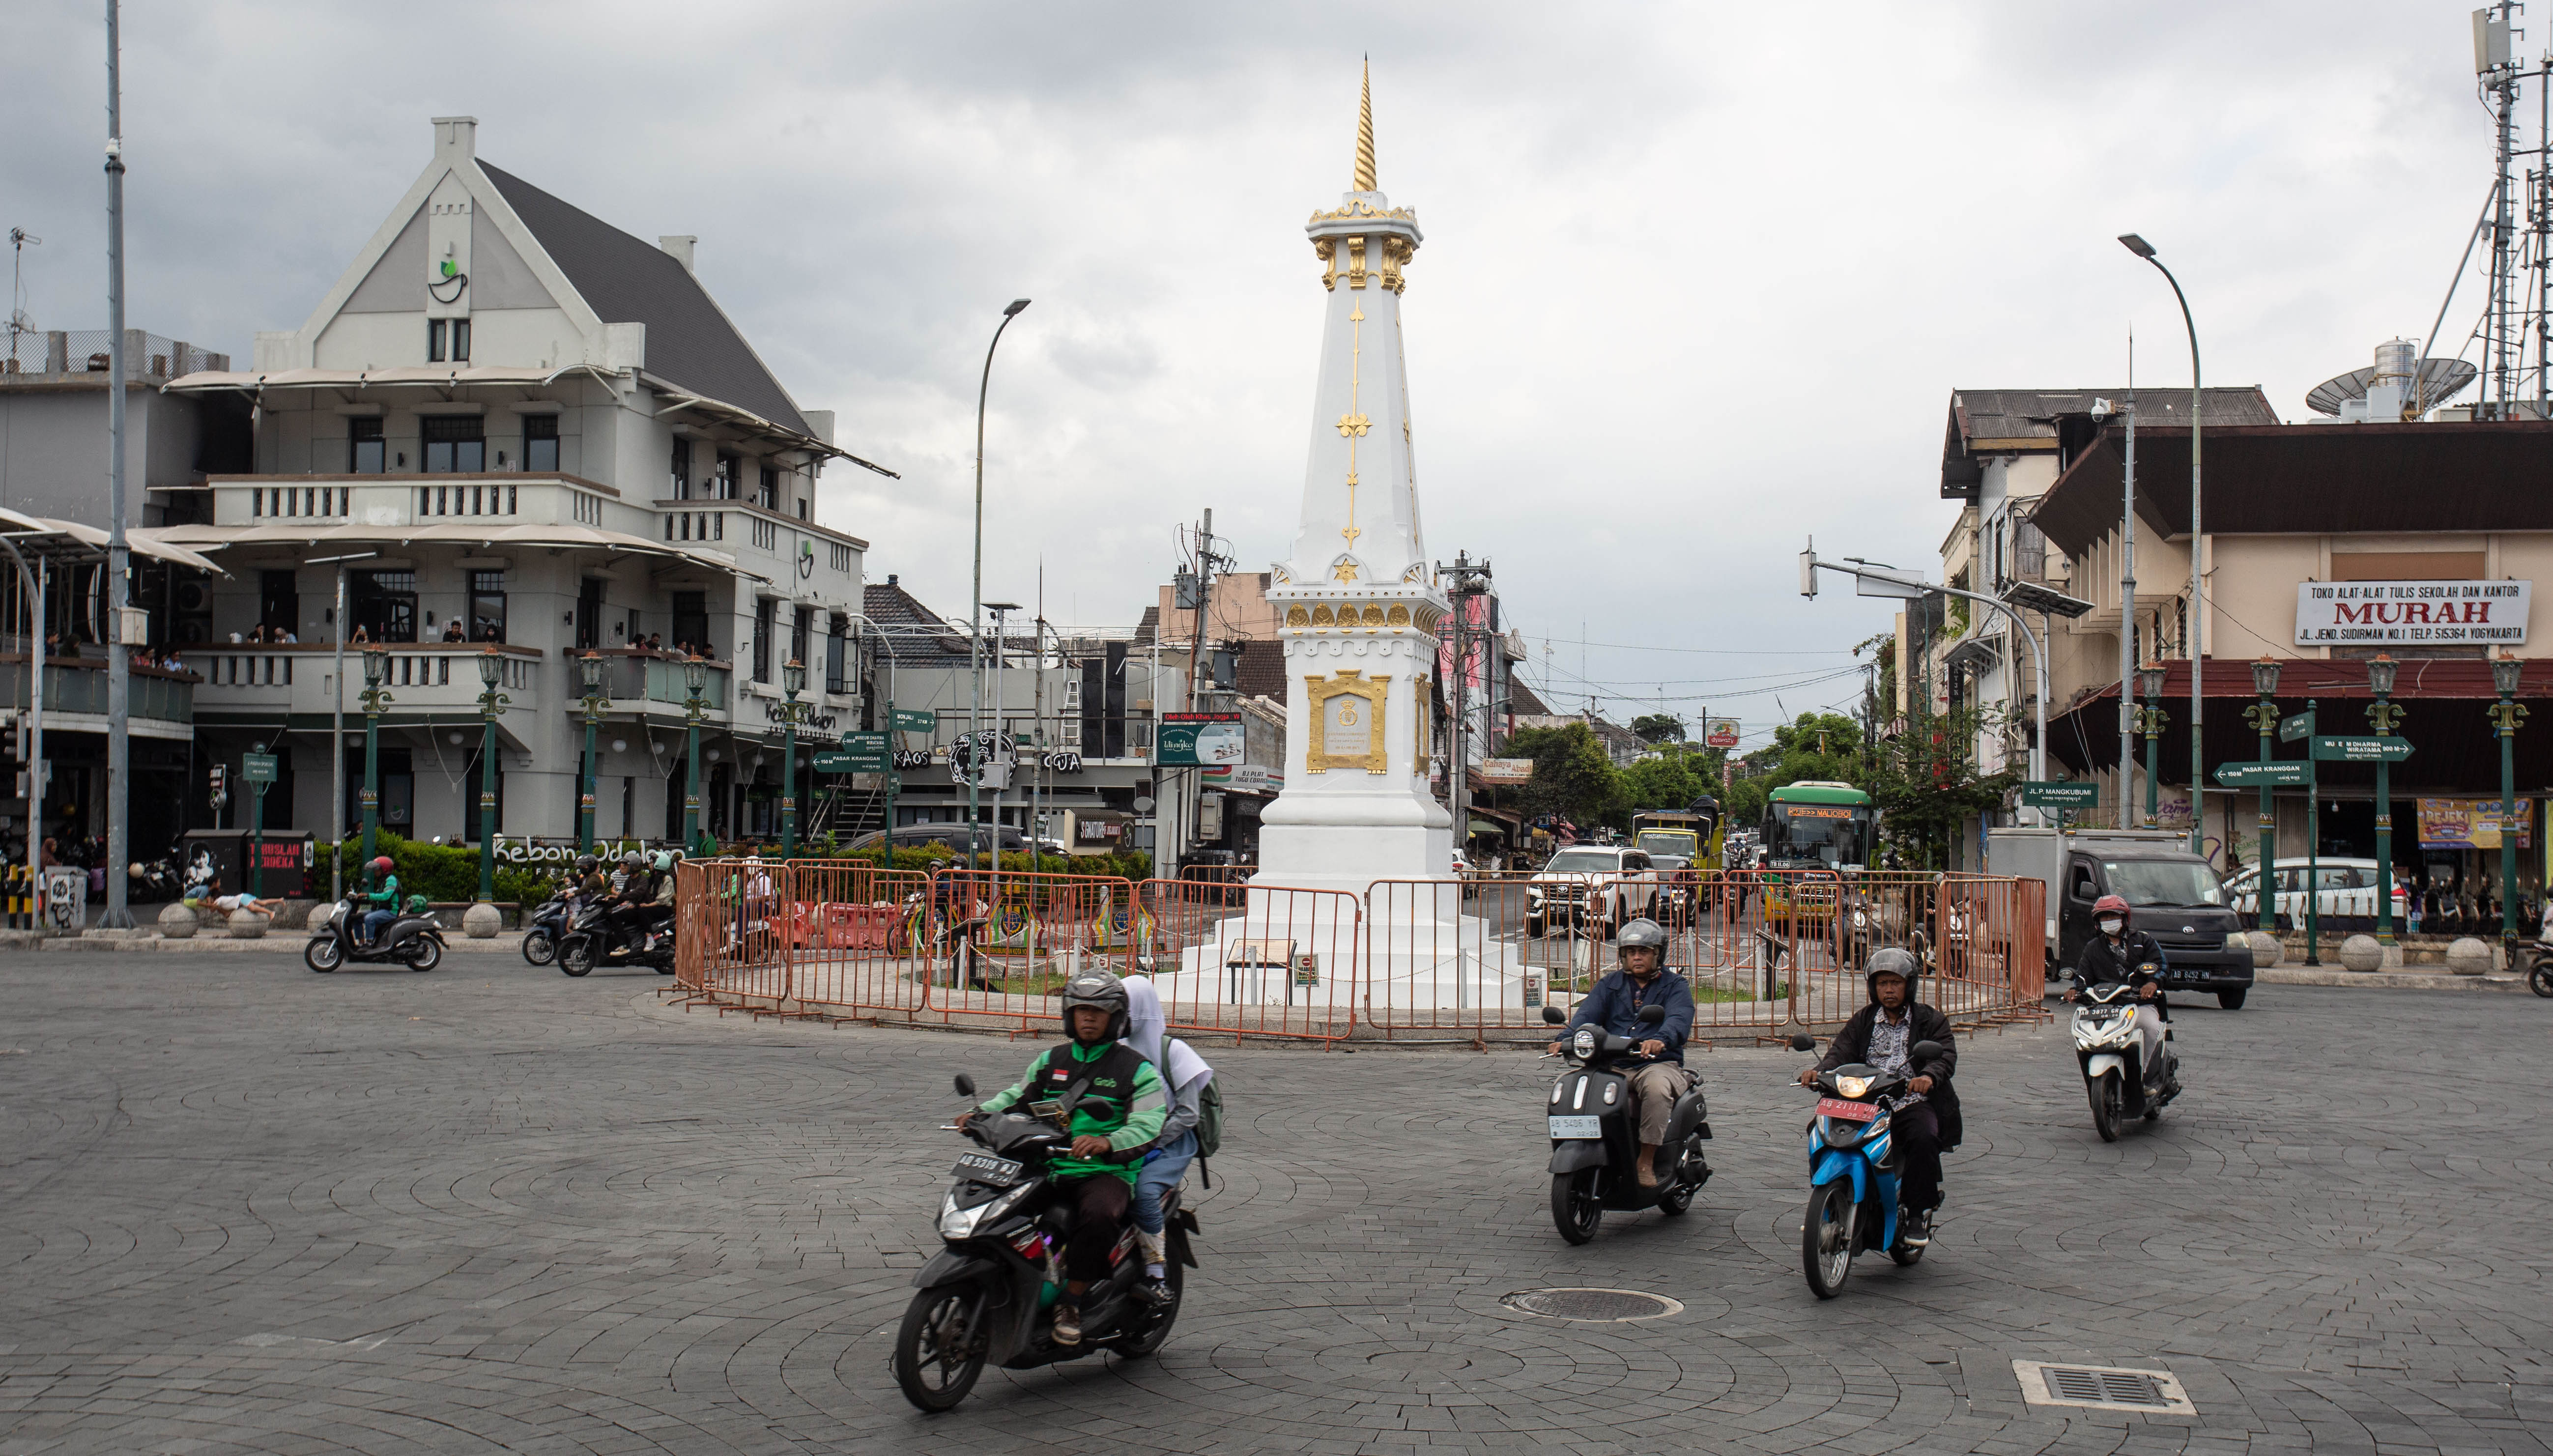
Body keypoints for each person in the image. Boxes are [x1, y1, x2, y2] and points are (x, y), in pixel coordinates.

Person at [959, 971, 1166, 1347]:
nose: (1088, 1017)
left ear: (1115, 1017)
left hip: (1105, 1172)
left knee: (1100, 1215)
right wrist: (979, 1115)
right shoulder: (1050, 1059)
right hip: (1049, 1164)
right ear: (1069, 1014)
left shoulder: (1136, 1070)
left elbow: (1149, 1125)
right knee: (997, 1207)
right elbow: (1016, 1096)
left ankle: (1071, 1299)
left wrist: (1106, 1141)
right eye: (1081, 1009)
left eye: (1098, 1011)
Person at [1797, 946, 1959, 1240]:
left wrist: (1927, 1077)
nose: (1889, 990)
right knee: (1817, 1129)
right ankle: (1829, 1199)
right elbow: (1841, 1051)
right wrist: (1819, 1072)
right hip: (1862, 1101)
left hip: (1908, 1101)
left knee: (1924, 1137)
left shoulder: (1930, 1020)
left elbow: (1944, 1056)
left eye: (1895, 983)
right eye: (1882, 984)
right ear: (1873, 987)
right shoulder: (1864, 1020)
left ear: (1909, 985)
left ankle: (1915, 1211)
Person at [1548, 917, 1695, 1188]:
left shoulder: (1675, 986)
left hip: (1656, 1063)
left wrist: (1660, 1040)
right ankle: (1585, 1145)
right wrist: (1566, 1038)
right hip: (1613, 1064)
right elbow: (1587, 1015)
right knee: (1572, 1087)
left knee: (1656, 1089)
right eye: (1630, 953)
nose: (1636, 957)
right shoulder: (1610, 984)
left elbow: (1679, 1019)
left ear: (1657, 954)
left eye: (1643, 952)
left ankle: (1646, 1161)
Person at [1120, 975, 1214, 1305]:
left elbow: (1188, 1114)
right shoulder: (1115, 1050)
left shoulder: (1173, 1052)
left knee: (1143, 1191)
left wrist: (1152, 1143)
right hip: (1126, 1141)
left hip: (1169, 1144)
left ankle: (1156, 1273)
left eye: (1124, 1008)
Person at [2069, 892, 2172, 1086]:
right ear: (2097, 922)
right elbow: (2083, 977)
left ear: (2125, 919)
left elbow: (2162, 966)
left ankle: (2147, 1077)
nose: (2109, 921)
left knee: (2150, 1027)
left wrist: (2152, 984)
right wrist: (2076, 991)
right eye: (2104, 917)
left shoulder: (2144, 940)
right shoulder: (2092, 948)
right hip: (2104, 1008)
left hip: (2138, 1004)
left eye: (2113, 916)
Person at [359, 856, 400, 944]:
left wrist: (368, 895)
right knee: (356, 917)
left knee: (369, 918)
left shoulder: (391, 880)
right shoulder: (383, 880)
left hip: (390, 912)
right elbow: (378, 896)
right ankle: (361, 942)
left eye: (377, 870)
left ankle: (369, 943)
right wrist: (362, 897)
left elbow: (385, 896)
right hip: (381, 909)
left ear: (384, 869)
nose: (375, 872)